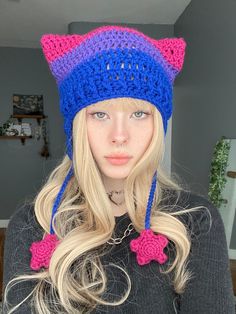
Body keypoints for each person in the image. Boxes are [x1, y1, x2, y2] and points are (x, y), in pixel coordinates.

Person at [2, 25, 235, 314]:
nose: (120, 135)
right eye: (100, 114)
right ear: (76, 126)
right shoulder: (32, 225)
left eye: (139, 113)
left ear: (159, 125)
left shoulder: (197, 221)